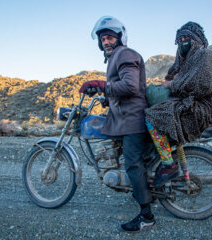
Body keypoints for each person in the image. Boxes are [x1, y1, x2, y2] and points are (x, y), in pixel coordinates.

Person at [79, 16, 155, 232]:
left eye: (110, 37)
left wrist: (104, 87)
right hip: (125, 118)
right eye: (103, 39)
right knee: (127, 158)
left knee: (133, 163)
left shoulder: (124, 54)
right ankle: (142, 191)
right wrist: (106, 98)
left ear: (120, 38)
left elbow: (130, 86)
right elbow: (120, 88)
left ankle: (146, 216)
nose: (106, 42)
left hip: (132, 119)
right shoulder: (115, 57)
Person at [145, 21, 212, 187]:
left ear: (196, 39)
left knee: (151, 117)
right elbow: (170, 78)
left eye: (187, 37)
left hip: (204, 107)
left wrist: (174, 84)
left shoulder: (205, 55)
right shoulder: (183, 60)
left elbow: (202, 85)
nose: (183, 41)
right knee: (156, 109)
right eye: (180, 39)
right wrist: (170, 83)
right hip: (190, 102)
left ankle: (168, 165)